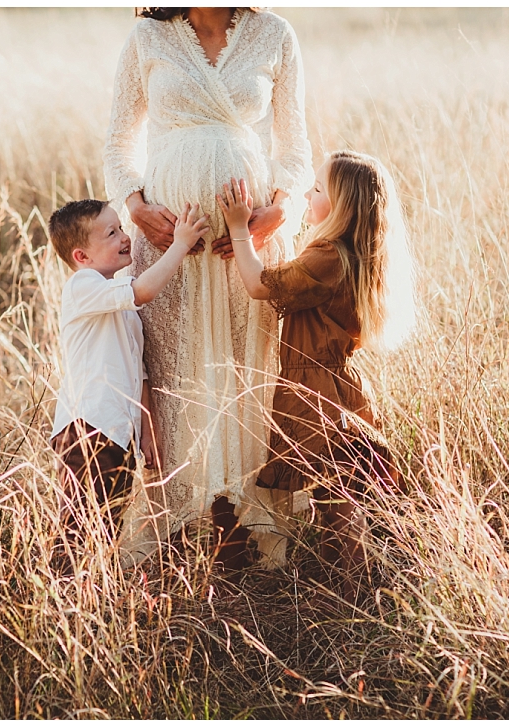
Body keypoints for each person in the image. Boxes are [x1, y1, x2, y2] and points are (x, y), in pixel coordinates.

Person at [103, 7, 313, 567]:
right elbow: (118, 141)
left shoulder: (274, 34)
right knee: (173, 369)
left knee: (246, 369)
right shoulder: (149, 36)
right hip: (169, 243)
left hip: (247, 244)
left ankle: (241, 523)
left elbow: (296, 147)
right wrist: (136, 207)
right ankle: (178, 522)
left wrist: (281, 211)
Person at [218, 150, 414, 598]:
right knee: (336, 494)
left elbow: (259, 285)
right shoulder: (350, 253)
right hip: (336, 387)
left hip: (318, 393)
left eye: (318, 188)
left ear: (342, 206)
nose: (307, 194)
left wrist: (238, 227)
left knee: (339, 500)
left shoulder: (329, 256)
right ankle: (349, 588)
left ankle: (357, 590)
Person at [48, 198, 210, 564]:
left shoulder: (118, 301)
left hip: (119, 433)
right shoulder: (83, 286)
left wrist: (147, 429)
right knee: (77, 529)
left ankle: (96, 590)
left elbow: (140, 372)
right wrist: (181, 243)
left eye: (121, 228)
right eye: (112, 233)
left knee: (106, 526)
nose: (125, 237)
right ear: (81, 256)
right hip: (87, 427)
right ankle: (63, 590)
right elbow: (144, 291)